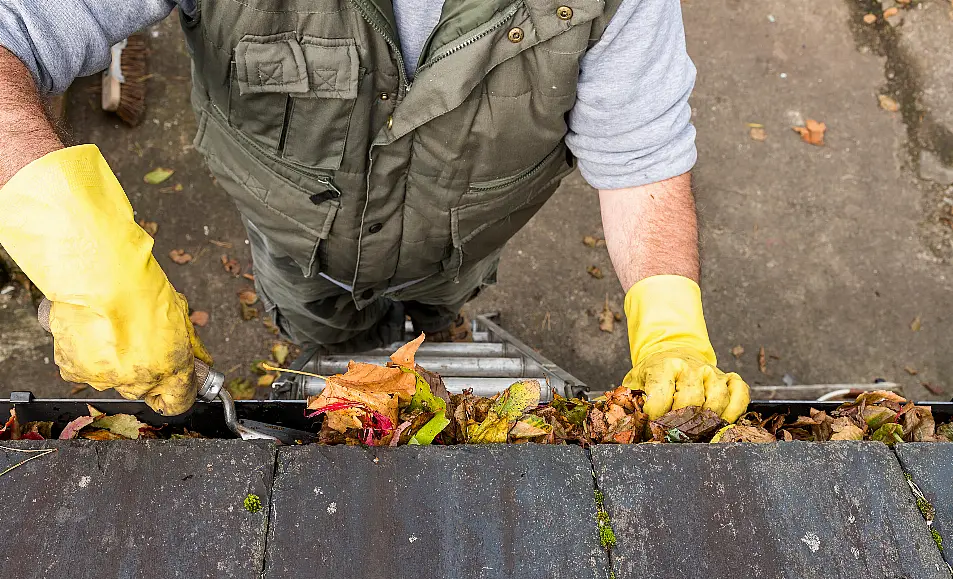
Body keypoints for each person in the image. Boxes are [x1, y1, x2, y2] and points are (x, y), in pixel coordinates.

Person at [0, 0, 749, 420]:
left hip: (463, 246)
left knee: (443, 302)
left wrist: (670, 326)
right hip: (299, 247)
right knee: (312, 317)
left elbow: (641, 159)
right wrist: (79, 255)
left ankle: (436, 320)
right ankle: (318, 332)